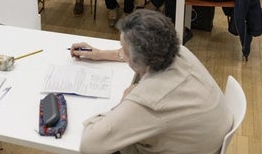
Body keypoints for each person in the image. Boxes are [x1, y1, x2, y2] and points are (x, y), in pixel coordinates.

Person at [71, 9, 232, 154]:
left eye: (125, 51)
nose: (122, 54)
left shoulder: (150, 100)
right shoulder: (179, 52)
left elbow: (89, 145)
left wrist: (122, 103)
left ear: (141, 60)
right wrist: (100, 54)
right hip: (203, 141)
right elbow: (137, 55)